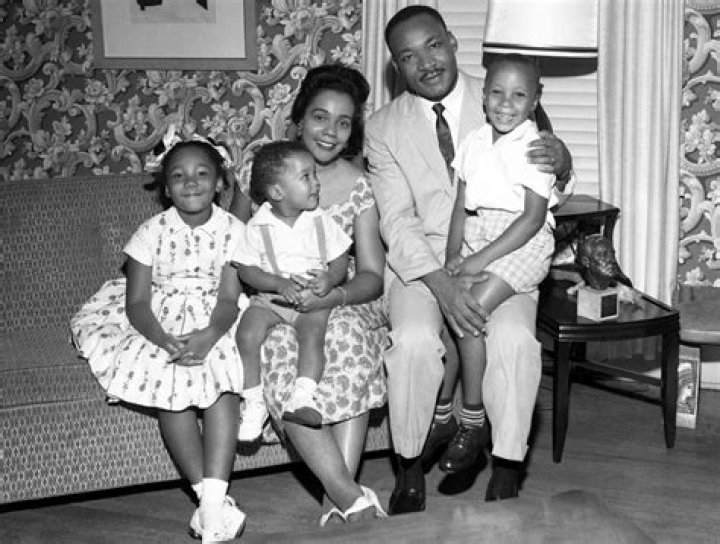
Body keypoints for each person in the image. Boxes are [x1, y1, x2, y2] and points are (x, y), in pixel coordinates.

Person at [364, 5, 575, 513]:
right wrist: (442, 280)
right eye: (408, 56)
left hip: (503, 251)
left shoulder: (503, 91)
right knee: (414, 342)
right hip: (420, 264)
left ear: (453, 42)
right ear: (396, 66)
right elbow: (396, 219)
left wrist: (564, 162)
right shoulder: (382, 127)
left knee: (514, 340)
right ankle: (410, 463)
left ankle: (505, 463)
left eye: (434, 45)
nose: (426, 63)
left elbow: (548, 190)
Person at [71, 128, 247, 543]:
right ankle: (210, 504)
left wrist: (209, 335)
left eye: (202, 174)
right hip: (158, 317)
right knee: (169, 385)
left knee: (224, 382)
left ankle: (211, 503)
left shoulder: (234, 230)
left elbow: (228, 298)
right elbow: (136, 303)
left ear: (219, 183)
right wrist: (164, 339)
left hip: (217, 317)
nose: (191, 183)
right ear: (166, 188)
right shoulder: (150, 232)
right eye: (179, 176)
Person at [229, 65, 387, 525]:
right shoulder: (265, 171)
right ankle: (348, 496)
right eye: (320, 117)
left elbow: (372, 276)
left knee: (348, 343)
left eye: (344, 122)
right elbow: (236, 253)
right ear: (299, 120)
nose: (331, 131)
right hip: (275, 297)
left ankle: (334, 503)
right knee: (282, 352)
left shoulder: (359, 186)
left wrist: (331, 296)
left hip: (341, 295)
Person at [441, 53, 558, 477]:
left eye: (518, 95)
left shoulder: (535, 147)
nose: (505, 104)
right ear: (484, 95)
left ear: (534, 101)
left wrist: (478, 259)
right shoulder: (474, 140)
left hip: (521, 242)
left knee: (468, 312)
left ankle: (471, 421)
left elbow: (531, 220)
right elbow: (460, 205)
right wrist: (453, 255)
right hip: (480, 234)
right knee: (450, 310)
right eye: (496, 92)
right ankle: (444, 413)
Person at [233, 140, 352, 438]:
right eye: (306, 177)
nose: (316, 183)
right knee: (246, 333)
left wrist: (329, 279)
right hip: (272, 299)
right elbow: (246, 269)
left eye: (315, 175)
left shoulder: (320, 220)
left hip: (313, 299)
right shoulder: (258, 225)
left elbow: (340, 260)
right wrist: (277, 283)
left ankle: (303, 397)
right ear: (277, 193)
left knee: (312, 335)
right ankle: (254, 401)